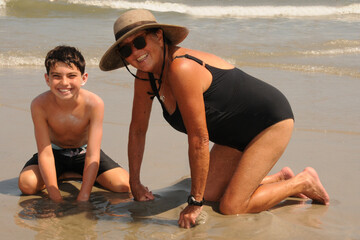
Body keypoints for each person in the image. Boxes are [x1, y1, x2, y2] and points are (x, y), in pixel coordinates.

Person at [99, 9, 330, 228]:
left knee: (232, 206)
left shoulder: (182, 68)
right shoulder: (145, 76)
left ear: (159, 36)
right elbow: (138, 129)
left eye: (139, 42)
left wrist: (194, 203)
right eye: (126, 50)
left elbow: (199, 138)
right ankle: (280, 177)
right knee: (209, 194)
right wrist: (135, 183)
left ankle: (302, 181)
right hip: (233, 134)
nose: (136, 53)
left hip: (268, 122)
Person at [18, 45, 130, 202]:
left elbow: (93, 153)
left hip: (84, 154)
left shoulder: (94, 104)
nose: (64, 83)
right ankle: (63, 173)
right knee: (26, 184)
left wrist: (84, 195)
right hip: (54, 154)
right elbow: (45, 153)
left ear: (84, 78)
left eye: (71, 76)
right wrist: (54, 195)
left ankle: (74, 173)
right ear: (47, 79)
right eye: (56, 76)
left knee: (124, 185)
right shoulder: (39, 104)